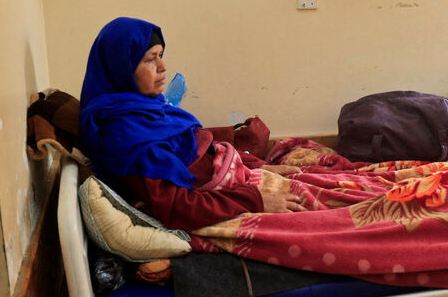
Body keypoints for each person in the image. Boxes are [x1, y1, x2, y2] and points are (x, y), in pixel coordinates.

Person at [79, 17, 306, 231]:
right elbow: (178, 207)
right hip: (225, 200)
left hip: (237, 180)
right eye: (150, 58)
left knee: (323, 177)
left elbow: (197, 146)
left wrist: (257, 166)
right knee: (322, 216)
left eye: (160, 55)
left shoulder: (147, 109)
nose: (162, 66)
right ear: (121, 68)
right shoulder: (123, 133)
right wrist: (255, 199)